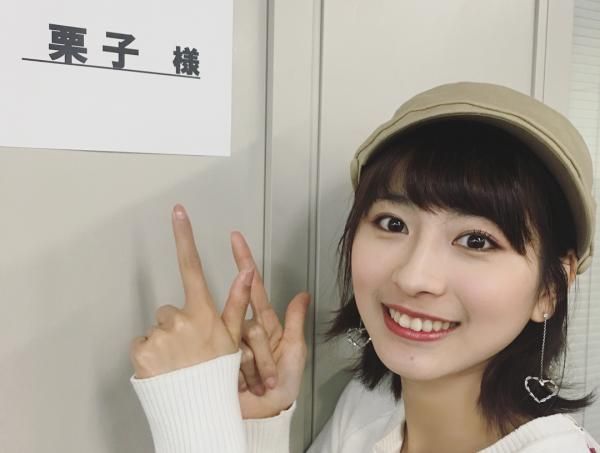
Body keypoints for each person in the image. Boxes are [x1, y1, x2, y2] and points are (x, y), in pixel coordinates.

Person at [129, 82, 600, 452]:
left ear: (550, 289)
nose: (413, 277)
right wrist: (258, 423)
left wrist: (193, 410)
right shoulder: (370, 408)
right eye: (393, 223)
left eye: (476, 240)